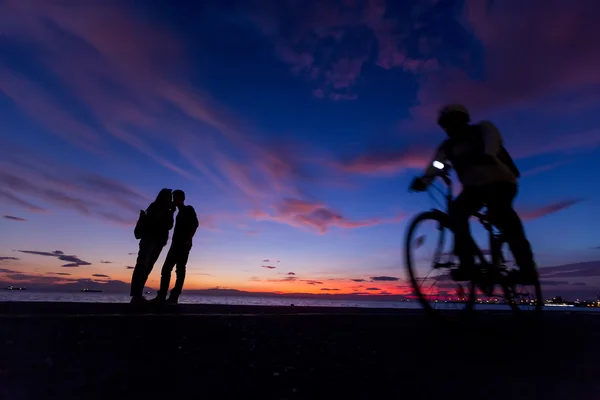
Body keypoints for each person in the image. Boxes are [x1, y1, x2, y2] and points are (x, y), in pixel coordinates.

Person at [410, 104, 538, 284]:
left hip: (501, 182)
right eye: (446, 125)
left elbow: (492, 141)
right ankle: (467, 264)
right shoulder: (447, 147)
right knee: (456, 215)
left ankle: (527, 270)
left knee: (501, 214)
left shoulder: (483, 129)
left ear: (464, 120)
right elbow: (437, 164)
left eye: (455, 122)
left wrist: (487, 154)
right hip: (474, 189)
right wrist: (425, 180)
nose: (451, 127)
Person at [152, 189, 199, 304]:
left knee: (179, 269)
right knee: (167, 269)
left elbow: (195, 224)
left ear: (182, 199)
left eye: (176, 198)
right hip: (175, 244)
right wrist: (171, 211)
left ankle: (174, 296)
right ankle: (162, 295)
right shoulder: (177, 212)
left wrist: (188, 239)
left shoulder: (188, 209)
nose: (174, 200)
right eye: (174, 198)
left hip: (184, 244)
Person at [130, 188, 175, 304]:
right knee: (142, 265)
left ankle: (137, 294)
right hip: (149, 240)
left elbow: (169, 226)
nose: (170, 199)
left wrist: (171, 212)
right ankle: (136, 295)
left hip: (157, 242)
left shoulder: (165, 209)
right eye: (169, 196)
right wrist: (169, 213)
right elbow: (160, 224)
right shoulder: (155, 207)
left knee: (147, 267)